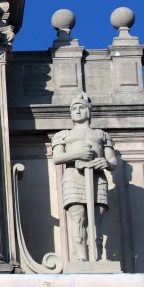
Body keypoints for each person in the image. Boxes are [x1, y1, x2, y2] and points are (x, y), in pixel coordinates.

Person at [51, 93, 116, 262]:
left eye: (81, 107)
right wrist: (77, 155)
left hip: (97, 177)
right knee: (78, 217)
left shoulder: (102, 135)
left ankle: (97, 256)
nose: (77, 111)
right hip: (74, 176)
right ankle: (81, 258)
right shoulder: (63, 135)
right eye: (74, 109)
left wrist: (105, 162)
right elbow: (57, 158)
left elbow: (113, 161)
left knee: (97, 219)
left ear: (89, 111)